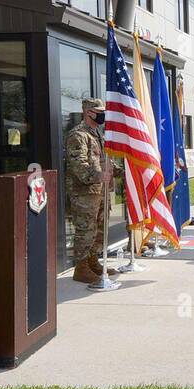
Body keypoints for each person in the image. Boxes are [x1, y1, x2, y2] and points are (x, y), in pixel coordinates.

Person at [65, 99, 117, 282]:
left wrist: (118, 171)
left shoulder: (97, 134)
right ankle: (81, 268)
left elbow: (103, 161)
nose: (103, 115)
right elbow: (78, 165)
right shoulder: (78, 135)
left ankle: (92, 261)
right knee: (86, 229)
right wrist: (98, 176)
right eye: (99, 111)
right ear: (88, 112)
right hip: (84, 193)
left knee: (99, 229)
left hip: (100, 192)